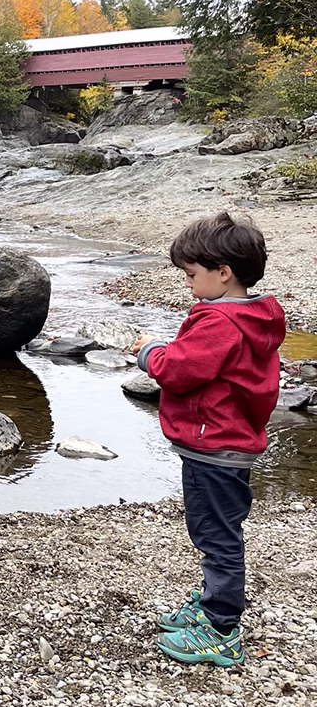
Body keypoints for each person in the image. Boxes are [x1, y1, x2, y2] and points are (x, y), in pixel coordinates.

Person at [131, 211, 285, 667]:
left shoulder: (219, 322)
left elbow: (178, 370)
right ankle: (213, 603)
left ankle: (221, 628)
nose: (187, 283)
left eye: (191, 274)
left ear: (223, 272)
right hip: (230, 440)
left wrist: (149, 351)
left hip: (213, 446)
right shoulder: (253, 316)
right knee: (218, 529)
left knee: (215, 535)